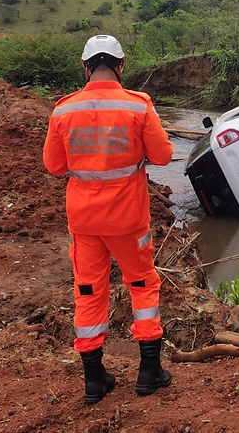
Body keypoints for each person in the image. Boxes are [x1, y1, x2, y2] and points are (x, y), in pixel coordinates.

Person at [42, 34, 174, 405]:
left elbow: (54, 165)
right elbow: (163, 156)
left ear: (85, 67)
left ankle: (94, 379)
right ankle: (149, 371)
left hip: (84, 221)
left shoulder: (64, 110)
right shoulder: (138, 105)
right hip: (128, 219)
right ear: (121, 65)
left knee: (88, 290)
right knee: (142, 286)